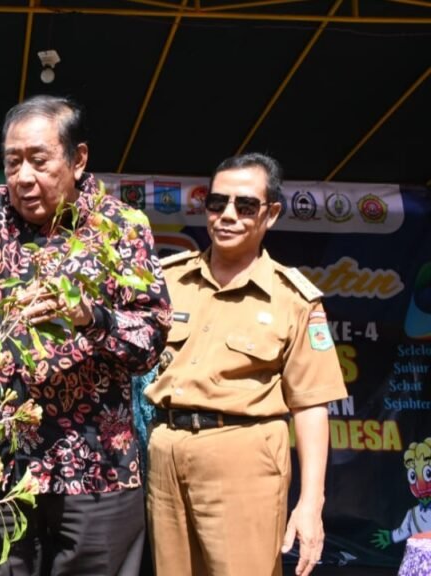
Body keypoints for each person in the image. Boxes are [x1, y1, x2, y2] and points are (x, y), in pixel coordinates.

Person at [0, 95, 171, 575]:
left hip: (96, 470)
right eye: (12, 162)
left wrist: (92, 318)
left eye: (39, 161)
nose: (23, 177)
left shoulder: (121, 228)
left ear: (78, 159)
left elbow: (152, 334)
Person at [144, 152, 348, 576]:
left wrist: (311, 504)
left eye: (245, 205)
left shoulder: (293, 298)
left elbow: (311, 406)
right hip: (166, 451)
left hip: (244, 456)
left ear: (270, 214)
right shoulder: (168, 281)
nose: (228, 215)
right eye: (217, 203)